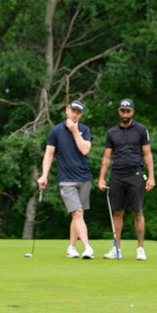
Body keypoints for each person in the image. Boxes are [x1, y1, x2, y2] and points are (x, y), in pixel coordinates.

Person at [98, 98, 156, 260]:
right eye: (122, 111)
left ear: (132, 112)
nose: (125, 114)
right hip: (117, 175)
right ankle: (117, 248)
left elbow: (147, 154)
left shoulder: (141, 130)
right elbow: (107, 157)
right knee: (117, 212)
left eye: (128, 111)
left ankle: (140, 249)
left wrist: (151, 176)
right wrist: (102, 178)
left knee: (137, 211)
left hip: (135, 174)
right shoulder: (112, 133)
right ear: (119, 112)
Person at [37, 100, 95, 259]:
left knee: (78, 216)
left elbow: (85, 150)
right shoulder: (56, 131)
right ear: (67, 111)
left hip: (84, 177)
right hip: (66, 179)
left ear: (81, 115)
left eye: (78, 112)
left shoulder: (84, 130)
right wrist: (44, 175)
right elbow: (49, 154)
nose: (75, 114)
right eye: (73, 111)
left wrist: (75, 131)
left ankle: (71, 247)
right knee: (78, 212)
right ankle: (87, 247)